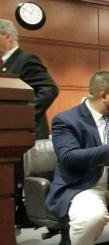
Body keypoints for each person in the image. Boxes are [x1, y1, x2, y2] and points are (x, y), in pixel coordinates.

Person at [45, 71, 109, 244]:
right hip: (85, 186)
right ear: (103, 96)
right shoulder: (66, 120)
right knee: (90, 218)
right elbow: (69, 157)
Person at [0, 19, 59, 227]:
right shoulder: (4, 64)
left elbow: (49, 89)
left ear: (7, 36)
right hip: (7, 136)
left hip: (25, 134)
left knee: (16, 182)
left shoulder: (26, 60)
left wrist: (21, 114)